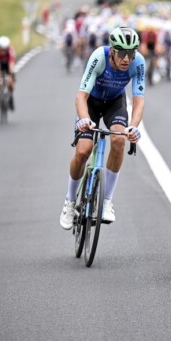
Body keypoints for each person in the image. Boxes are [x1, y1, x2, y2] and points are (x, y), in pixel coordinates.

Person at [59, 26, 145, 230]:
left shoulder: (138, 62)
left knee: (119, 140)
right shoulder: (99, 57)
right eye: (122, 53)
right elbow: (81, 97)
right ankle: (69, 202)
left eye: (131, 53)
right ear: (112, 50)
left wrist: (133, 127)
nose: (127, 59)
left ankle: (106, 201)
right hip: (91, 102)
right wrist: (84, 119)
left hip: (114, 103)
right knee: (83, 150)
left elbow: (139, 100)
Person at [0, 36, 16, 110]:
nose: (3, 51)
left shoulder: (10, 51)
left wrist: (11, 74)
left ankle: (11, 96)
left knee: (10, 81)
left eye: (5, 49)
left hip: (8, 65)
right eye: (2, 49)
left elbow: (11, 63)